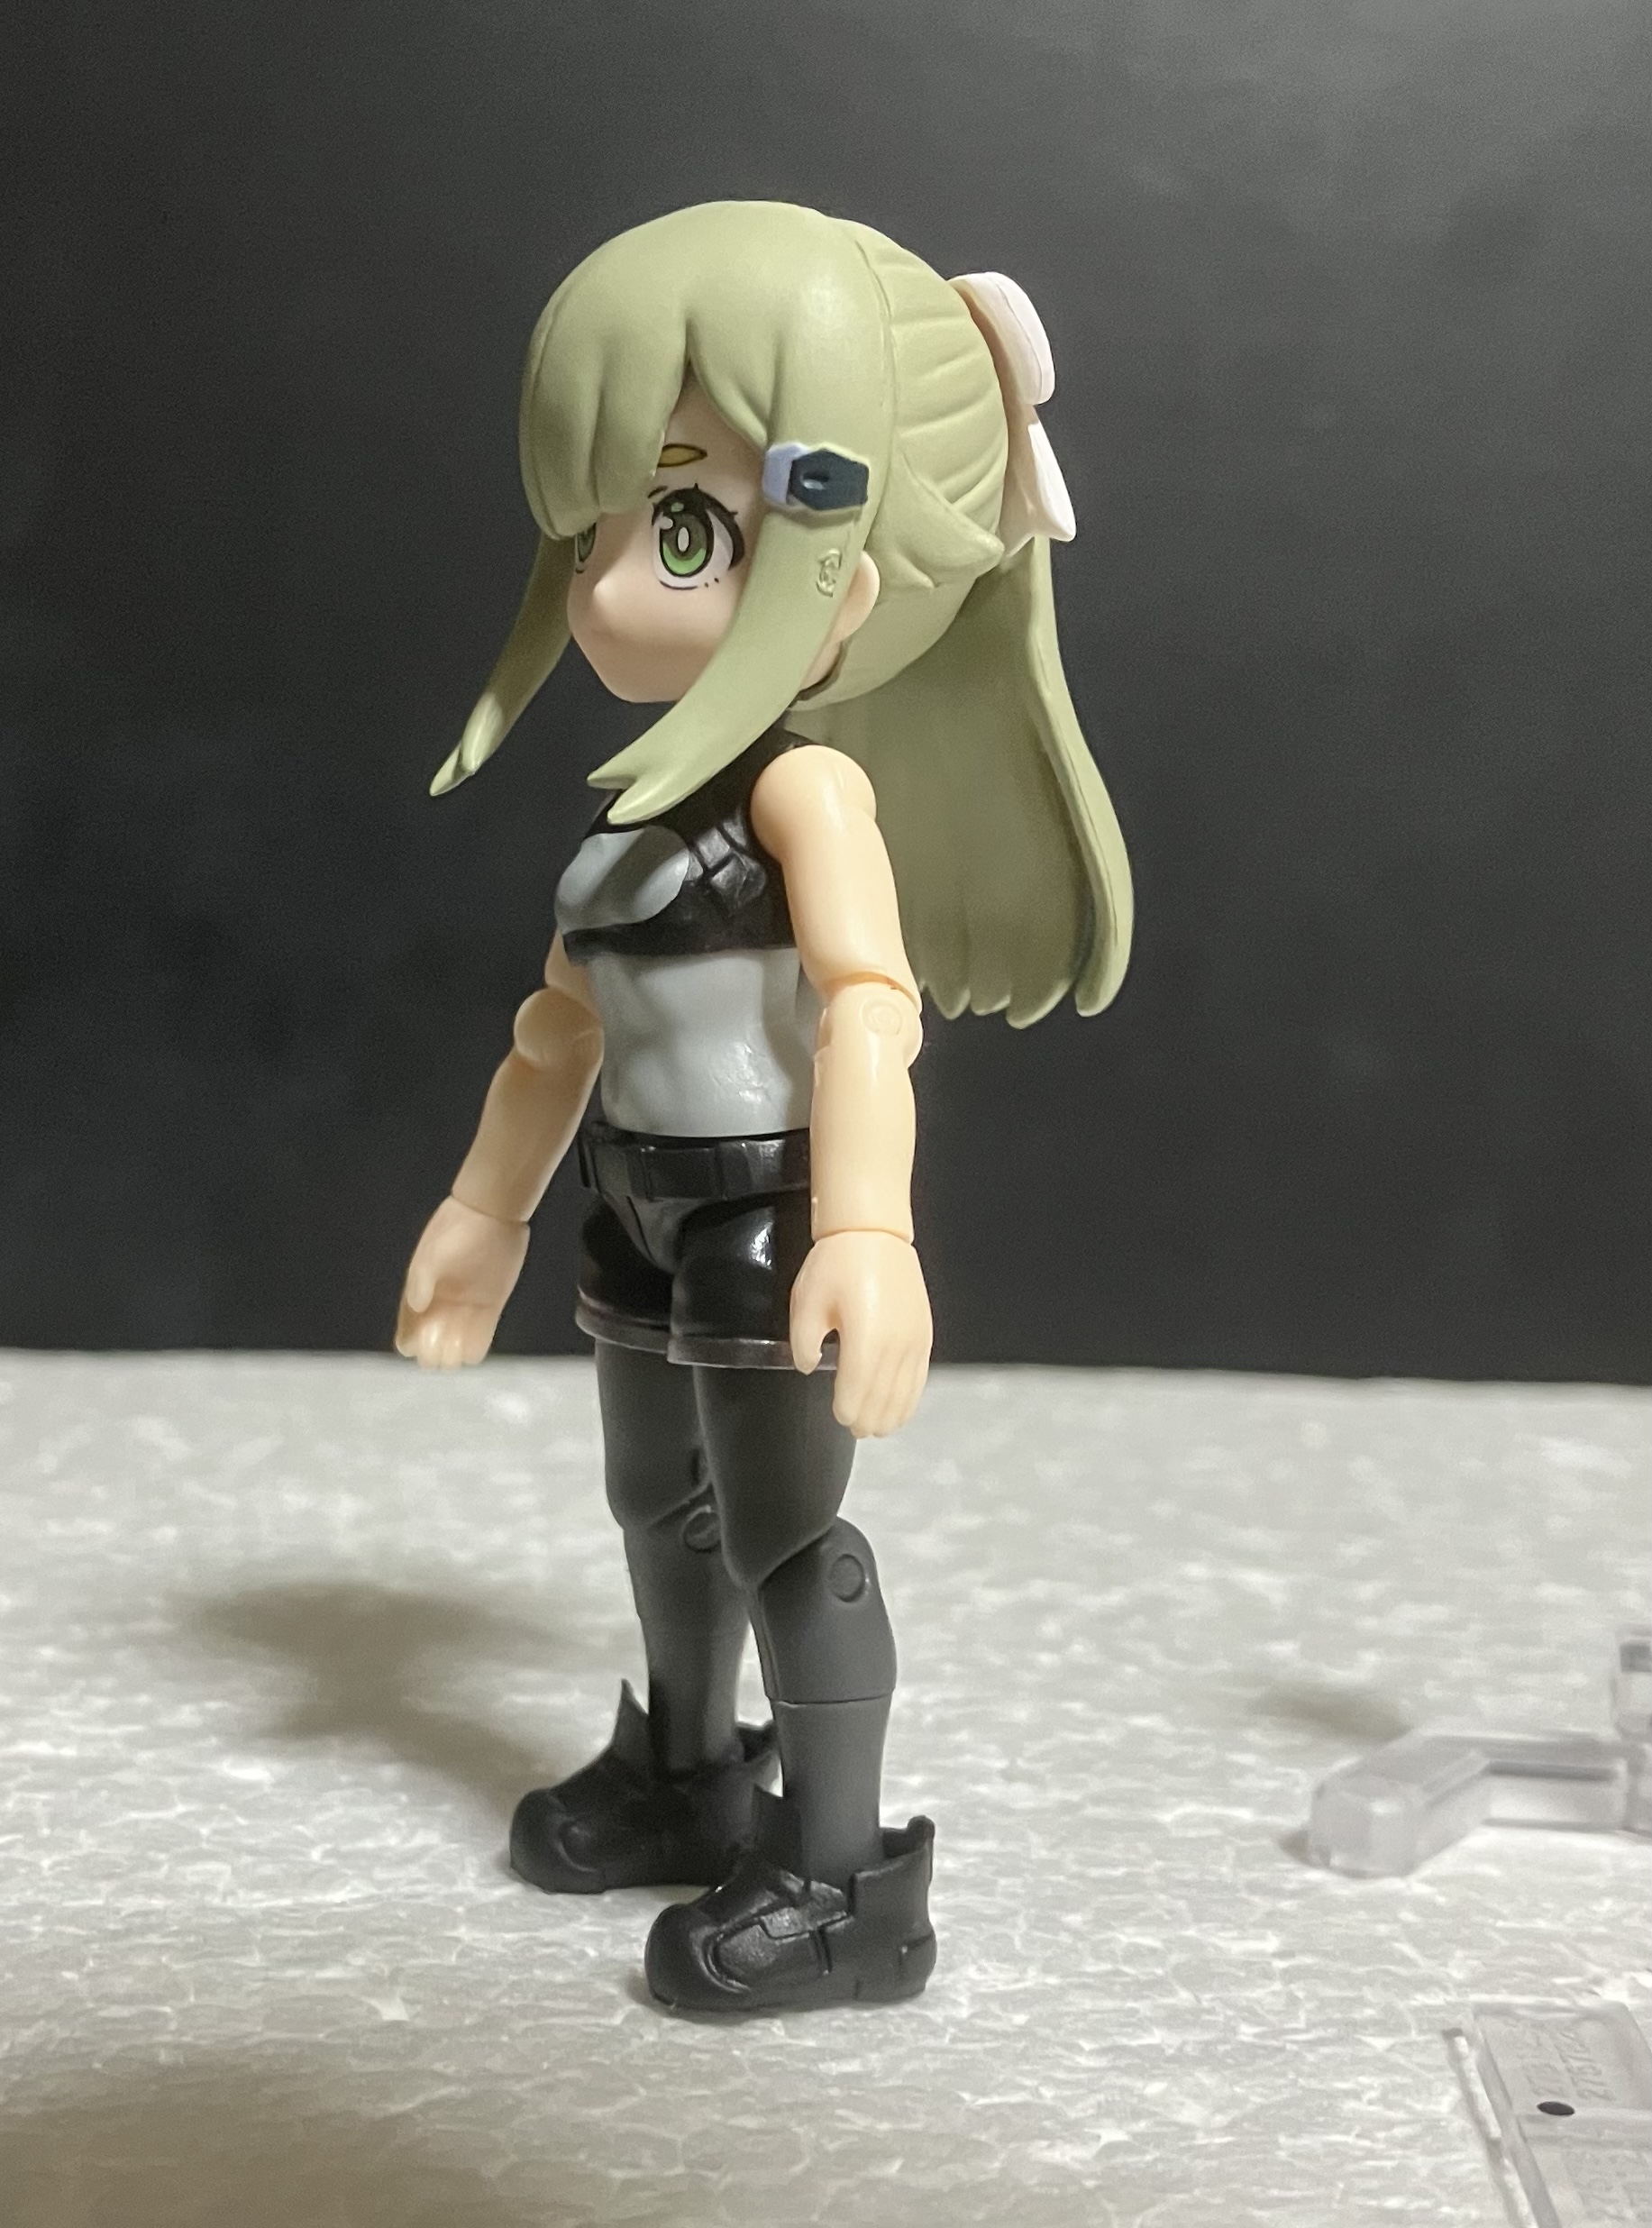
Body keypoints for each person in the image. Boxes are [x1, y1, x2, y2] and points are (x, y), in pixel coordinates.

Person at [395, 201, 1131, 2012]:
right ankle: (682, 1767)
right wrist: (484, 1212)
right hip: (632, 1202)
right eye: (593, 527)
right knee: (654, 1505)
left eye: (687, 528)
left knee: (786, 1532)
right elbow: (558, 1029)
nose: (609, 588)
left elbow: (869, 1005)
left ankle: (843, 1877)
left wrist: (868, 1232)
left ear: (845, 565)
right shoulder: (631, 809)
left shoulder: (805, 797)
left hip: (764, 1212)